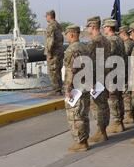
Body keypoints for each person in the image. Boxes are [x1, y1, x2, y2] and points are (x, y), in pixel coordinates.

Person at [63, 25, 91, 153]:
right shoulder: (86, 47)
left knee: (75, 115)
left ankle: (81, 142)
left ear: (72, 34)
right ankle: (84, 140)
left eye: (67, 34)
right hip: (86, 86)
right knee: (83, 115)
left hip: (76, 88)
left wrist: (67, 88)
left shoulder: (71, 50)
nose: (66, 36)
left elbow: (70, 71)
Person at [86, 16, 111, 143]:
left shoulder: (93, 42)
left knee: (97, 105)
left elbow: (89, 63)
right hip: (106, 76)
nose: (87, 29)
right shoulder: (106, 40)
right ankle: (103, 130)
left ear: (93, 27)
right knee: (103, 104)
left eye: (88, 27)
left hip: (97, 78)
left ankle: (101, 132)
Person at [103, 19, 127, 133]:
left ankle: (117, 122)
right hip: (120, 72)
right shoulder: (119, 39)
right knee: (119, 98)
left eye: (105, 26)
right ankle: (120, 121)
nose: (103, 28)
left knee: (113, 99)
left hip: (112, 74)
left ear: (108, 27)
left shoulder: (110, 40)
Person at [119, 26, 134, 125]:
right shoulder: (133, 42)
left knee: (127, 95)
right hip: (133, 71)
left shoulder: (127, 44)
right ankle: (131, 113)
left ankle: (129, 115)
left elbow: (124, 59)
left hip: (128, 72)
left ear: (123, 33)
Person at [44, 10, 64, 96]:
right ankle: (59, 89)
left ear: (49, 16)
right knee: (58, 70)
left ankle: (56, 90)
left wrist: (49, 52)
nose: (46, 18)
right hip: (59, 51)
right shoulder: (58, 25)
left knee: (52, 71)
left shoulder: (51, 26)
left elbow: (50, 41)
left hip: (54, 52)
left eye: (46, 16)